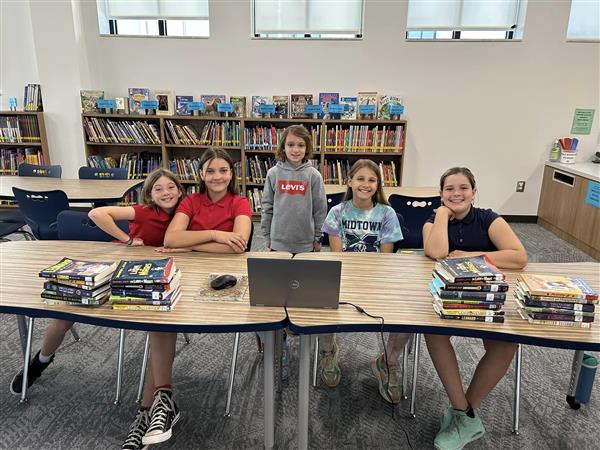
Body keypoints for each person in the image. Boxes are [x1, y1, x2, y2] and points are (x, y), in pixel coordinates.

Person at [8, 168, 185, 450]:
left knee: (159, 329)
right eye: (158, 189)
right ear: (149, 195)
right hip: (123, 270)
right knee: (65, 314)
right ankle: (42, 359)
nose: (166, 193)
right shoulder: (142, 211)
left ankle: (147, 411)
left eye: (171, 187)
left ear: (180, 189)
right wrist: (127, 239)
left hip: (151, 280)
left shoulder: (184, 213)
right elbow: (96, 215)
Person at [141, 148, 252, 447]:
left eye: (223, 171)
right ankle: (162, 398)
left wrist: (191, 245)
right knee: (163, 313)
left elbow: (238, 247)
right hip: (187, 273)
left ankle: (150, 404)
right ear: (201, 174)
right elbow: (171, 239)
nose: (218, 176)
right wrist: (216, 236)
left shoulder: (240, 202)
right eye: (211, 171)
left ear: (231, 174)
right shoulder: (190, 200)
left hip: (228, 280)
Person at [422, 166, 528, 450]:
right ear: (441, 194)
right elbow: (437, 252)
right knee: (432, 331)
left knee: (506, 345)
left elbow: (518, 257)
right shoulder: (433, 222)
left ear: (474, 192)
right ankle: (464, 414)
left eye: (463, 188)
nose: (456, 194)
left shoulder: (488, 219)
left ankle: (464, 412)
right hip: (450, 298)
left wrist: (472, 255)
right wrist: (443, 214)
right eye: (449, 189)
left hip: (487, 297)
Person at [320, 159, 406, 404]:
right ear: (349, 181)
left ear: (378, 184)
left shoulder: (387, 213)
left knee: (409, 313)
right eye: (360, 178)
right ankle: (328, 352)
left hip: (378, 277)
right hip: (345, 275)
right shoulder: (337, 212)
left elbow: (386, 258)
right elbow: (337, 256)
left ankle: (388, 363)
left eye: (371, 180)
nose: (365, 184)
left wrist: (371, 281)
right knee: (319, 303)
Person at [261, 124, 327, 254]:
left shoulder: (314, 176)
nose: (295, 150)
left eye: (301, 145)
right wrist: (267, 235)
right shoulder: (273, 174)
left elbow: (320, 210)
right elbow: (267, 207)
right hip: (278, 242)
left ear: (307, 148)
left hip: (306, 243)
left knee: (304, 274)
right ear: (283, 148)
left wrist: (318, 237)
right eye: (290, 145)